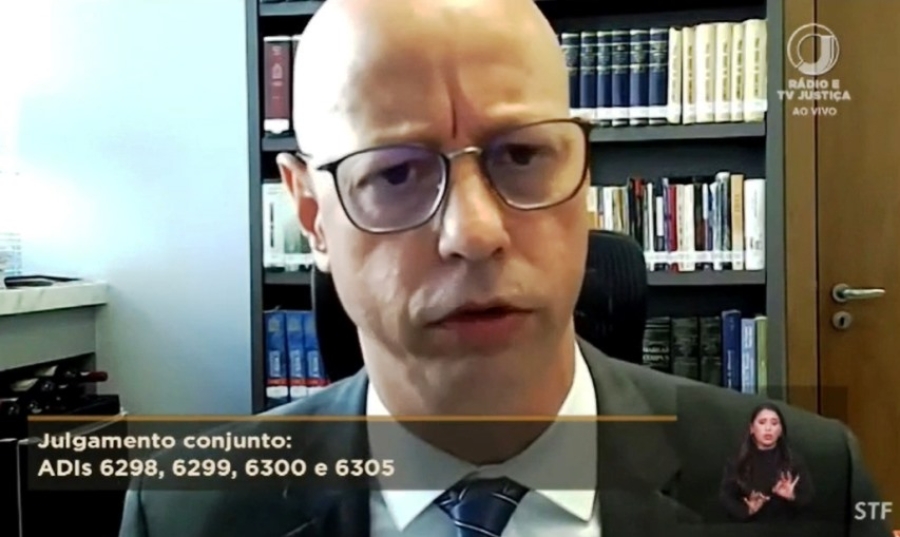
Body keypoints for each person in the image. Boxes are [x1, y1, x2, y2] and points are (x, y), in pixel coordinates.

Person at [119, 0, 890, 535]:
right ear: (313, 215)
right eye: (395, 173)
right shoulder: (188, 510)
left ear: (582, 176)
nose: (474, 232)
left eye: (521, 155)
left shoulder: (811, 484)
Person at [720, 403, 814, 522]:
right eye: (762, 422)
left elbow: (809, 499)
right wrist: (747, 510)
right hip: (748, 527)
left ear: (780, 430)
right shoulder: (737, 462)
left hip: (786, 526)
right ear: (752, 429)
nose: (768, 428)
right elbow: (726, 498)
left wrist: (792, 496)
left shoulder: (794, 461)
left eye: (774, 423)